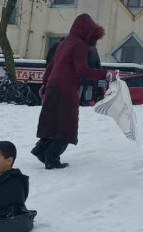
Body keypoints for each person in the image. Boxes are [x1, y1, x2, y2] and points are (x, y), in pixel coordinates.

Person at [31, 14, 108, 169]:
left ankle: (41, 150)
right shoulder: (79, 45)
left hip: (53, 85)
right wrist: (104, 73)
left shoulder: (65, 42)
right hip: (66, 88)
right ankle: (52, 158)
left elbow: (51, 65)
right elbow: (82, 70)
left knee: (52, 121)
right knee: (66, 125)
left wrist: (45, 84)